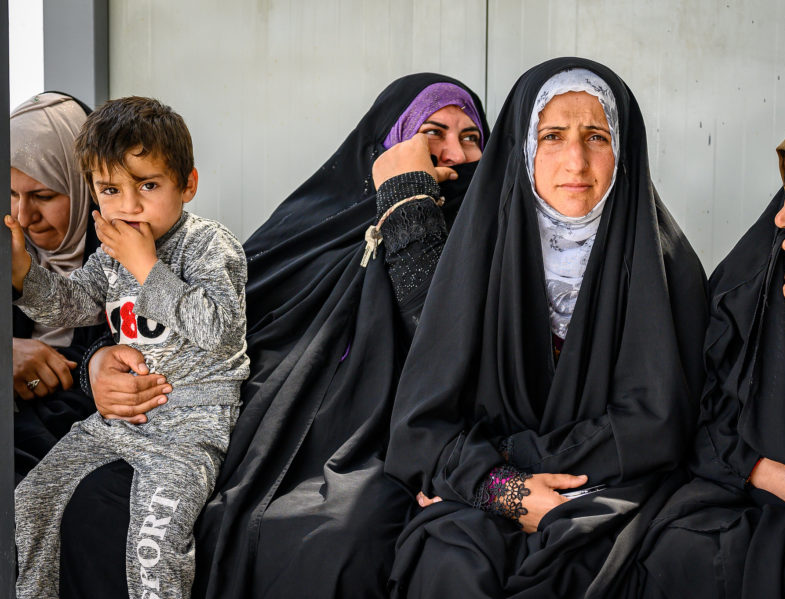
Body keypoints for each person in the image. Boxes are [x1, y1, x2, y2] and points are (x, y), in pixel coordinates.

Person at [56, 74, 488, 599]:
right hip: (253, 427)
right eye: (431, 133)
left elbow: (451, 342)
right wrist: (98, 362)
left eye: (472, 138)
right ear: (383, 149)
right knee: (99, 499)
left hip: (377, 443)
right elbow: (213, 320)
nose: (456, 155)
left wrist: (407, 206)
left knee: (331, 543)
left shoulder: (489, 245)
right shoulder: (311, 227)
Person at [384, 57, 708, 598]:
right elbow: (421, 428)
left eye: (597, 137)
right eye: (553, 135)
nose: (576, 161)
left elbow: (661, 424)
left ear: (624, 150)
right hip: (485, 491)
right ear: (523, 148)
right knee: (452, 560)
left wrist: (516, 464)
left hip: (618, 492)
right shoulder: (476, 256)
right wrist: (504, 489)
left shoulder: (669, 269)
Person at [605, 95, 785, 599]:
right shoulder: (757, 279)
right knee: (674, 551)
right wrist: (766, 473)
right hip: (750, 493)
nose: (784, 218)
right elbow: (701, 416)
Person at [10, 96, 249, 599]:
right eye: (110, 190)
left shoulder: (209, 245)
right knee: (33, 498)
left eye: (148, 186)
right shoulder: (113, 250)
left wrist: (146, 267)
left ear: (188, 184)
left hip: (187, 426)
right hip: (116, 422)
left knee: (153, 547)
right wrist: (24, 275)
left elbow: (219, 328)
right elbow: (72, 306)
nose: (129, 206)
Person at [9, 92, 109, 481]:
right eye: (11, 193)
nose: (23, 216)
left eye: (44, 195)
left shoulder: (132, 258)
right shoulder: (8, 245)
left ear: (87, 186)